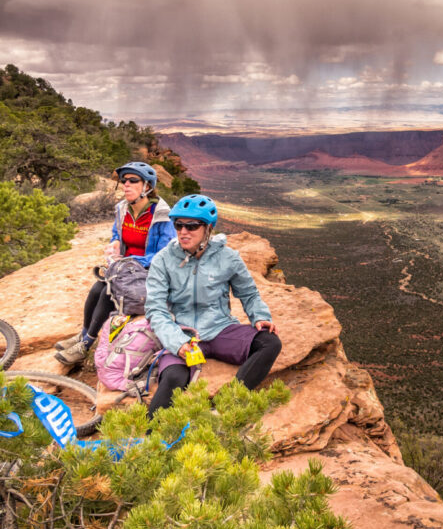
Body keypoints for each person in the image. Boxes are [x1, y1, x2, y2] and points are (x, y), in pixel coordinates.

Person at [144, 194, 282, 418]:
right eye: (178, 225)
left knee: (269, 342)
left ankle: (223, 407)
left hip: (220, 329)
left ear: (208, 229)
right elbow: (155, 309)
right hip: (183, 333)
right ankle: (152, 446)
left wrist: (259, 316)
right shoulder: (163, 260)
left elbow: (248, 293)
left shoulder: (227, 257)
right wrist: (178, 342)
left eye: (192, 226)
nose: (183, 231)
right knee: (173, 379)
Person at [56, 162, 175, 365]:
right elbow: (116, 233)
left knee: (107, 292)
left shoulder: (162, 215)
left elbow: (164, 255)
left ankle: (85, 345)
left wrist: (131, 260)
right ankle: (84, 333)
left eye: (133, 180)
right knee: (96, 288)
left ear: (147, 186)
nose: (126, 184)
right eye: (124, 180)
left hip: (149, 272)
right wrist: (115, 242)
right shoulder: (122, 209)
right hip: (124, 270)